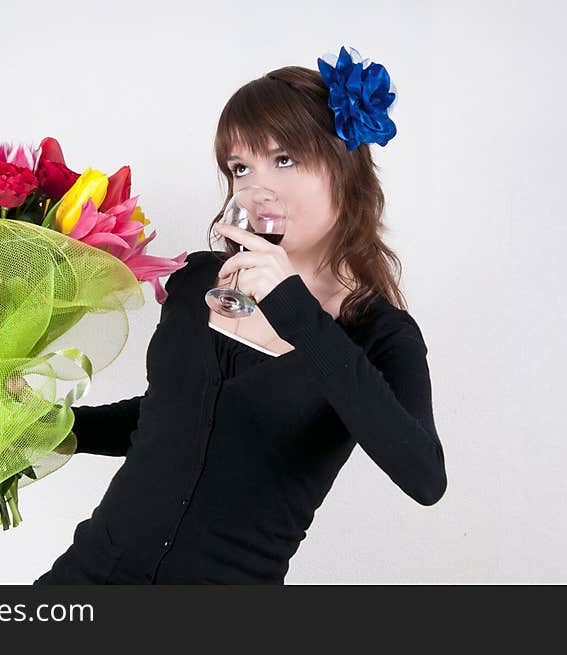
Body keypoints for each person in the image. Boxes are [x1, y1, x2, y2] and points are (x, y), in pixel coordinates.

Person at [32, 46, 447, 585]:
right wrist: (54, 429)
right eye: (240, 167)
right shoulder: (198, 280)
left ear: (344, 165)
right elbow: (171, 416)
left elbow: (424, 477)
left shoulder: (378, 333)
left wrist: (295, 308)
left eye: (285, 159)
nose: (257, 189)